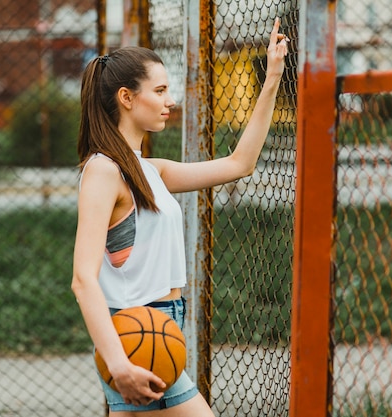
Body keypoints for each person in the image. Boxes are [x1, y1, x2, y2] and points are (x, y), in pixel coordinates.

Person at [72, 17, 289, 417]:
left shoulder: (148, 171)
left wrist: (272, 76)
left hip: (161, 330)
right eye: (159, 90)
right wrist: (119, 365)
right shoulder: (104, 171)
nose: (170, 100)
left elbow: (240, 164)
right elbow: (83, 279)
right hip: (137, 336)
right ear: (126, 97)